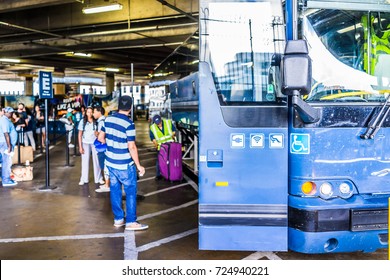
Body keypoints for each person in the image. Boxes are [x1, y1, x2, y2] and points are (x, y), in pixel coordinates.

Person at [98, 95, 148, 231]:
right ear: (130, 108)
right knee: (131, 192)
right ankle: (131, 221)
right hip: (125, 165)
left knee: (115, 191)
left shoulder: (108, 119)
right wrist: (139, 166)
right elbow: (131, 146)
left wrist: (112, 143)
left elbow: (100, 137)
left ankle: (118, 219)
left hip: (111, 163)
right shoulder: (129, 124)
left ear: (118, 106)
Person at [78, 106, 104, 186]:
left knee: (96, 161)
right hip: (85, 143)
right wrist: (80, 147)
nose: (89, 114)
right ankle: (84, 179)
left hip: (94, 143)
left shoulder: (97, 121)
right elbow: (80, 135)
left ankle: (99, 178)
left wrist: (97, 134)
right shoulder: (82, 121)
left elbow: (100, 133)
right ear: (85, 113)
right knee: (85, 161)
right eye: (88, 112)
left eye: (91, 112)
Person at [149, 114, 176, 180]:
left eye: (160, 123)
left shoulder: (168, 122)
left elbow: (174, 131)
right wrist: (156, 145)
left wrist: (172, 136)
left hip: (170, 145)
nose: (159, 125)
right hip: (161, 147)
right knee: (159, 161)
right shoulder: (152, 128)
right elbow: (153, 139)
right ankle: (158, 175)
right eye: (157, 124)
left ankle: (172, 173)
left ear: (161, 120)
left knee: (171, 159)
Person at [93, 106, 110, 193]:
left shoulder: (102, 122)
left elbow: (102, 135)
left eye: (94, 112)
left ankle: (107, 185)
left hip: (103, 147)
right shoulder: (102, 121)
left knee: (105, 165)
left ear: (99, 112)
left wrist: (97, 134)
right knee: (104, 165)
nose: (93, 114)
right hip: (103, 147)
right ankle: (107, 184)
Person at [0, 107, 18, 187]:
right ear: (5, 112)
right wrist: (9, 146)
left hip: (5, 143)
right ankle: (6, 180)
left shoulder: (6, 120)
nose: (11, 114)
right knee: (6, 162)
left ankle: (5, 178)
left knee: (5, 162)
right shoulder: (4, 120)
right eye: (10, 112)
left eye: (12, 112)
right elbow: (6, 133)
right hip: (5, 144)